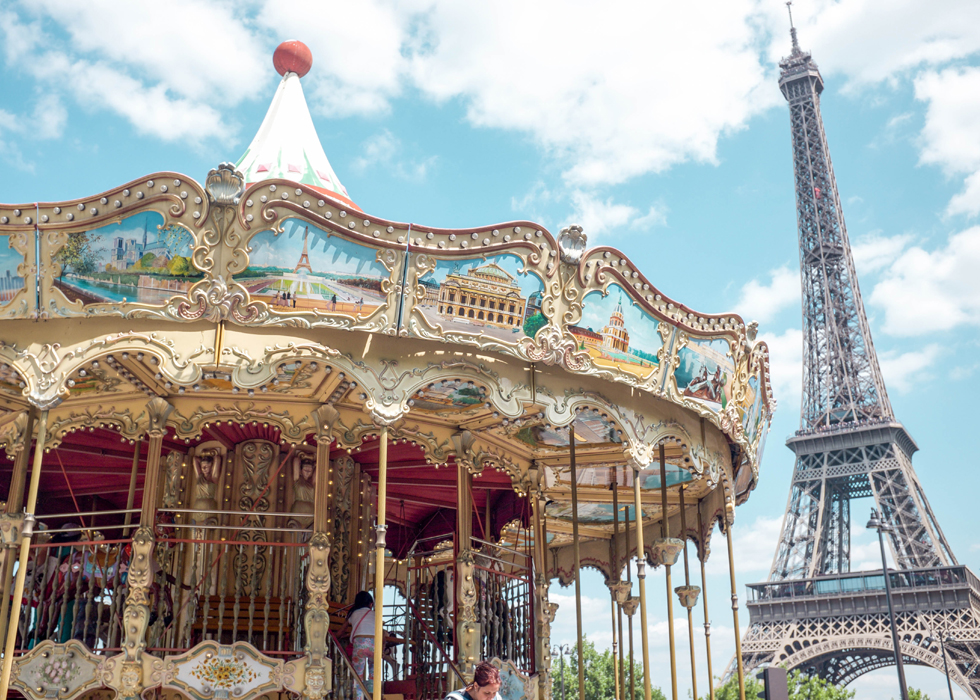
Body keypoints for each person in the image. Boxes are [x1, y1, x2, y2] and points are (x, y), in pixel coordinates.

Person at [341, 591, 376, 699]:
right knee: (373, 671)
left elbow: (342, 630)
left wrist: (335, 636)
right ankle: (372, 692)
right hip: (374, 644)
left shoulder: (353, 613)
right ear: (370, 603)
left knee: (357, 675)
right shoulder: (375, 614)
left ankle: (358, 697)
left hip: (360, 644)